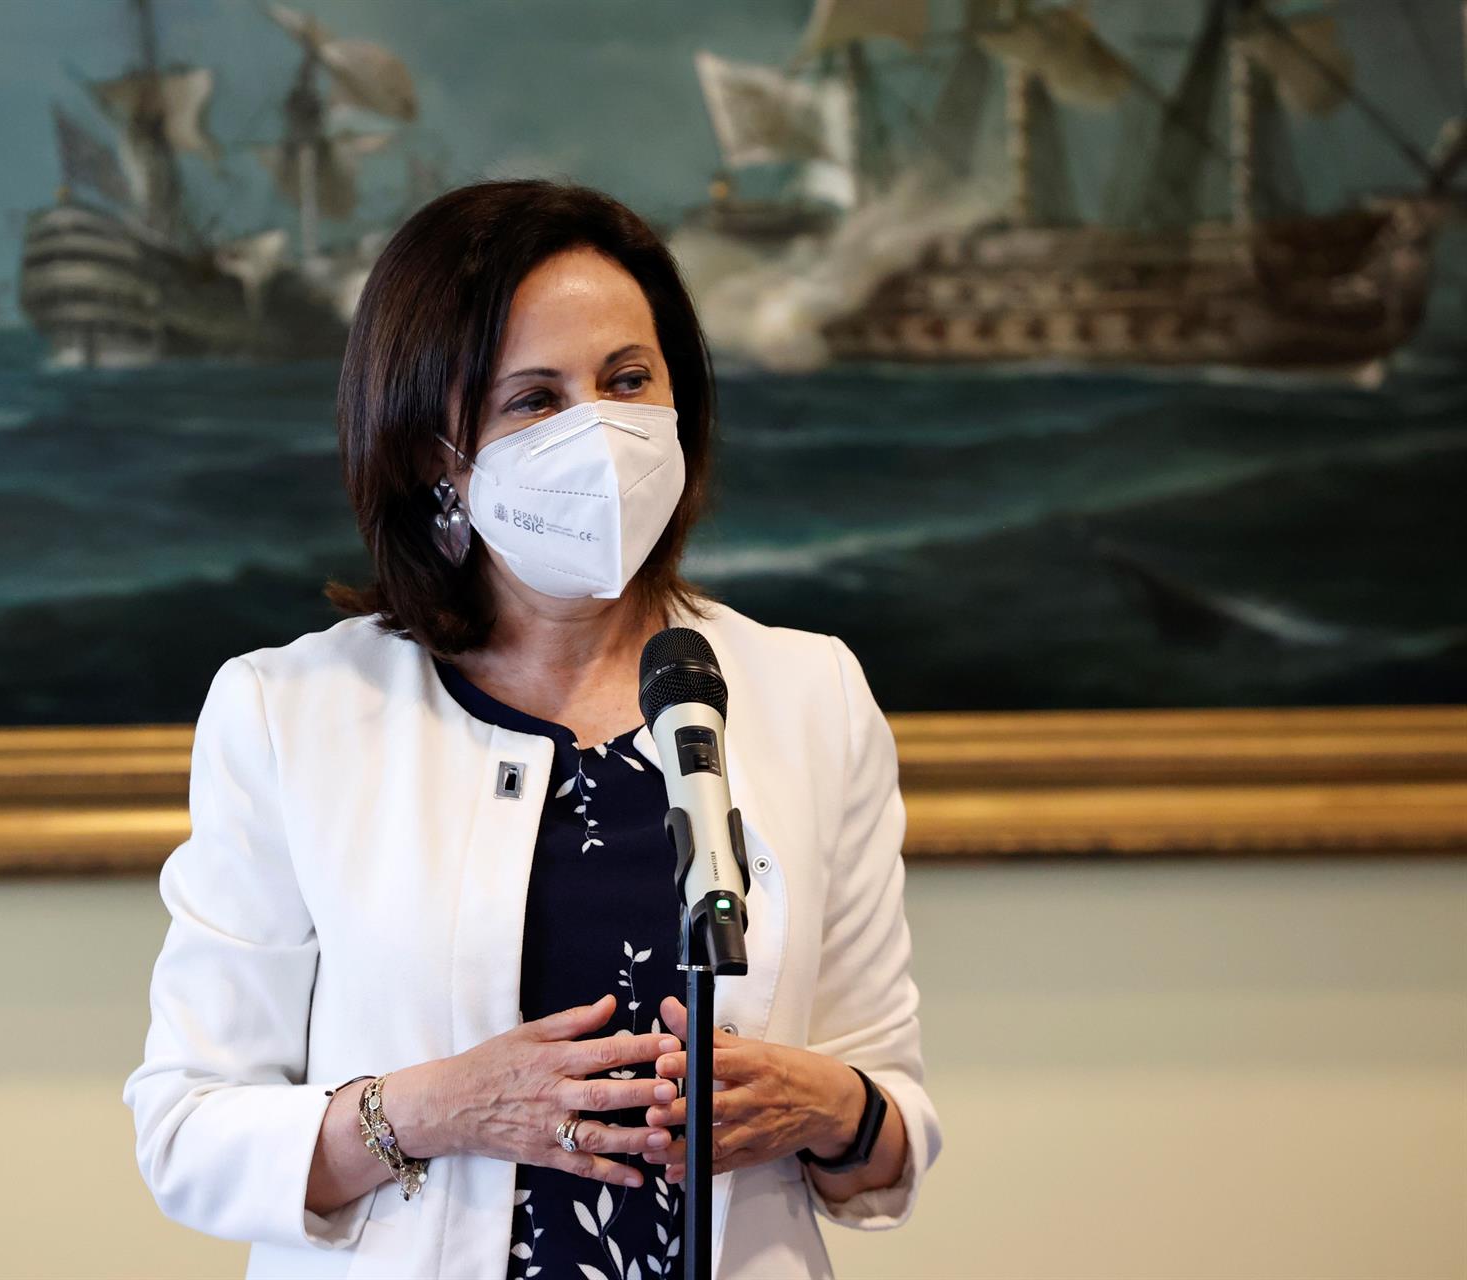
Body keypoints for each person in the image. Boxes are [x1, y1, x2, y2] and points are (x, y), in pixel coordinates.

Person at [124, 179, 941, 1279]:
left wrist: (829, 1106)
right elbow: (186, 1134)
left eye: (627, 380)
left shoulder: (811, 691)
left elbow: (887, 1132)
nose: (598, 432)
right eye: (535, 399)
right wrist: (435, 1107)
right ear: (435, 453)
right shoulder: (292, 712)